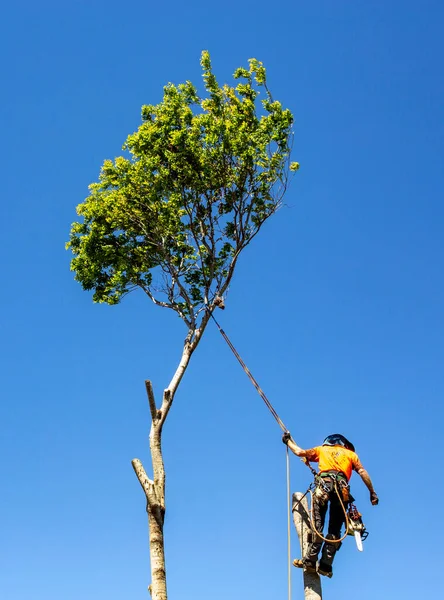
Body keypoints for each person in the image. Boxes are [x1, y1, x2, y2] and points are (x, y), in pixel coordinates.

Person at [282, 432, 378, 578]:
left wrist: (288, 441)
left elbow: (300, 452)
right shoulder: (351, 454)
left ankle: (310, 561)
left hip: (323, 487)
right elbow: (362, 472)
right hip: (342, 490)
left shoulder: (322, 449)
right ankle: (326, 565)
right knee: (335, 529)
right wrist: (372, 492)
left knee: (318, 526)